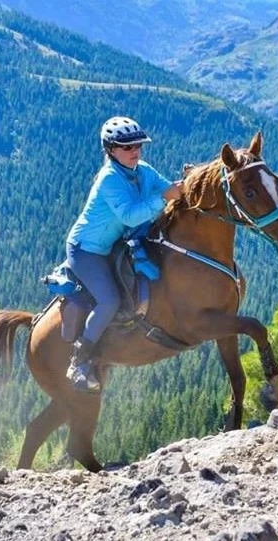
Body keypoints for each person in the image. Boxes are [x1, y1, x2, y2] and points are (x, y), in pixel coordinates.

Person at [64, 116, 182, 392]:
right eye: (127, 147)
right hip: (86, 250)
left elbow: (171, 190)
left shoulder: (143, 170)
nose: (135, 152)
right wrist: (164, 198)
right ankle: (78, 362)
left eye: (138, 146)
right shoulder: (109, 179)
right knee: (109, 300)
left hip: (114, 243)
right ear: (111, 150)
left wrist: (183, 187)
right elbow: (130, 216)